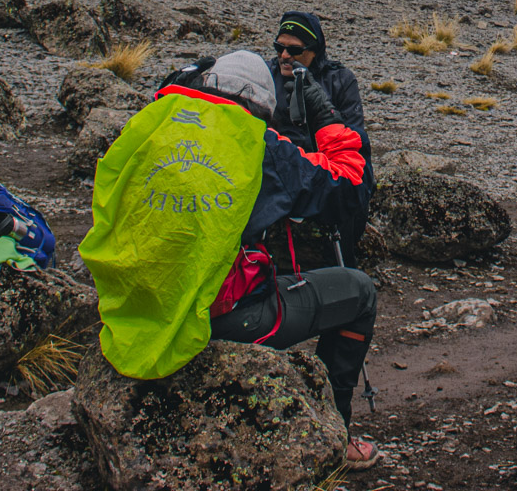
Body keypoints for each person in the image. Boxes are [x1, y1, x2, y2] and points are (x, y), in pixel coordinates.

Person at [82, 51, 379, 468]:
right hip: (214, 317)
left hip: (132, 303)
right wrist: (326, 117)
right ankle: (337, 434)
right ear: (262, 108)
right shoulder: (255, 143)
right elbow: (350, 186)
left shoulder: (149, 123)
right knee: (359, 294)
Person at [269, 11, 374, 267]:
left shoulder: (339, 80)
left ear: (314, 50)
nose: (285, 56)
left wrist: (323, 112)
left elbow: (352, 137)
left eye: (294, 50)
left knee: (354, 173)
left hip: (324, 167)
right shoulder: (267, 75)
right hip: (280, 168)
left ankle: (343, 263)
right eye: (279, 47)